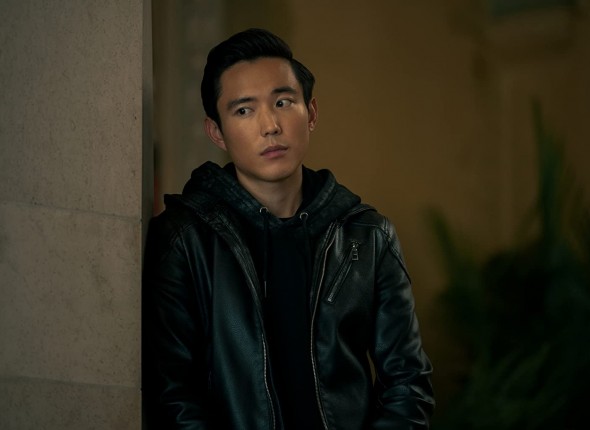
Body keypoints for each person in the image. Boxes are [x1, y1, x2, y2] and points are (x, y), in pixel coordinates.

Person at [143, 28, 435, 429]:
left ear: (310, 113)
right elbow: (172, 393)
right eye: (243, 111)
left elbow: (408, 383)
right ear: (217, 132)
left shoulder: (366, 236)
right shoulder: (185, 238)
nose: (270, 126)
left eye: (283, 102)